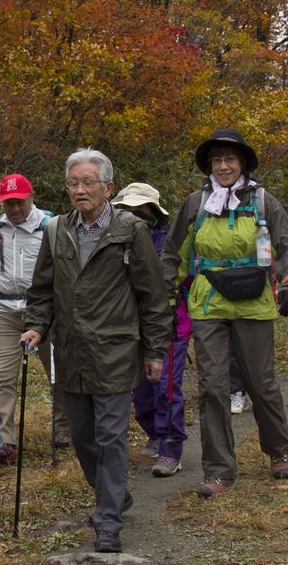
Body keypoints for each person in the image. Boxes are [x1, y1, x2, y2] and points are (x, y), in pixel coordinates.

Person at [21, 149, 171, 554]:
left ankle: (108, 521)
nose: (80, 189)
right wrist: (36, 326)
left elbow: (153, 296)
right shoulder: (56, 231)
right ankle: (116, 495)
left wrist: (155, 350)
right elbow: (41, 291)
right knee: (84, 439)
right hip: (69, 352)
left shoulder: (130, 229)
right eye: (74, 182)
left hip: (115, 350)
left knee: (110, 438)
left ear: (107, 187)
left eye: (88, 182)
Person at [161, 129, 288, 499]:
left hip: (254, 300)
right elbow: (172, 253)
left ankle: (278, 449)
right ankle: (219, 470)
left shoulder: (263, 200)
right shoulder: (195, 203)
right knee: (213, 387)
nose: (223, 166)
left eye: (230, 159)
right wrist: (165, 295)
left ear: (243, 164)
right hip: (209, 301)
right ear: (209, 165)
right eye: (217, 160)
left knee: (261, 381)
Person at [0, 173, 69, 460]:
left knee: (58, 372)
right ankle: (5, 442)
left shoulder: (50, 227)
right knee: (3, 376)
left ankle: (64, 426)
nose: (14, 209)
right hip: (6, 312)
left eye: (19, 202)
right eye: (8, 203)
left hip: (45, 312)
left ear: (31, 197)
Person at [112, 182, 188, 478]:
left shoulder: (170, 243)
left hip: (170, 324)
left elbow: (186, 277)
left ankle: (171, 447)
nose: (135, 216)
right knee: (140, 391)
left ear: (153, 212)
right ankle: (154, 433)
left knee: (166, 388)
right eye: (128, 210)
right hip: (131, 325)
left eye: (140, 210)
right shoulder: (116, 239)